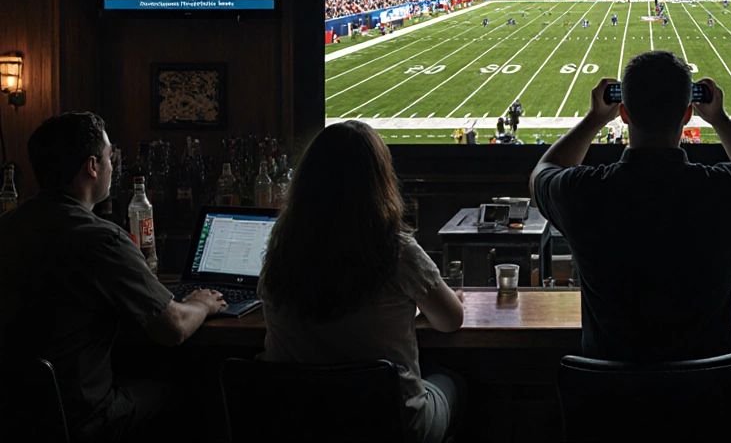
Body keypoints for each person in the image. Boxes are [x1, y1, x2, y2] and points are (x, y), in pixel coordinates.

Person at [529, 51, 731, 362]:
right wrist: (720, 119)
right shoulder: (727, 190)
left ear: (623, 113)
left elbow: (543, 172)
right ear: (687, 114)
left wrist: (595, 118)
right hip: (706, 397)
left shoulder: (583, 193)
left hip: (608, 397)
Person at [0, 112, 228, 443]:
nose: (113, 165)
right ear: (92, 166)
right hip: (81, 419)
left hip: (13, 416)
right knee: (189, 389)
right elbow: (173, 328)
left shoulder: (7, 227)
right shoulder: (102, 240)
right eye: (110, 157)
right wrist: (202, 303)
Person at [260, 121, 466, 443]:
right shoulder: (397, 248)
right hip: (391, 427)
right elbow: (451, 320)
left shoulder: (280, 247)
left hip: (298, 424)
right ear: (379, 181)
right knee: (456, 380)